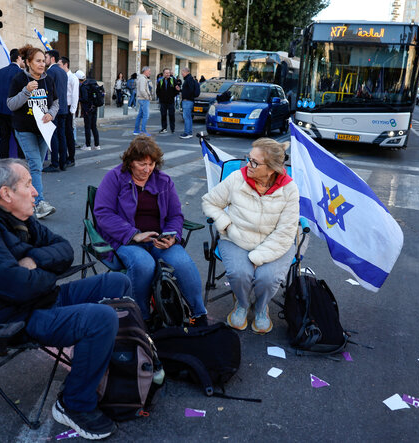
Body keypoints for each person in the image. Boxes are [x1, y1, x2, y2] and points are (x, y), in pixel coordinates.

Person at [0, 158, 129, 440]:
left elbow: (65, 250)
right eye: (28, 184)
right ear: (6, 194)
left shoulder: (20, 218)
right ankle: (74, 404)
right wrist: (48, 272)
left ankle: (116, 361)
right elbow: (19, 287)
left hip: (40, 299)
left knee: (118, 281)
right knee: (102, 319)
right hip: (14, 318)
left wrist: (34, 258)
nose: (36, 192)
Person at [93, 135, 208, 325]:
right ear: (130, 162)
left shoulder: (163, 181)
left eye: (152, 164)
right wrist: (134, 234)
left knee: (182, 262)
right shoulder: (114, 177)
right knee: (143, 264)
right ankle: (142, 317)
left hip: (158, 238)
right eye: (141, 164)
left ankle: (198, 314)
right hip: (126, 239)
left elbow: (175, 215)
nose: (147, 169)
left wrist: (172, 235)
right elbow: (103, 213)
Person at [201, 138, 299, 334]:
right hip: (236, 239)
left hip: (277, 243)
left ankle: (262, 308)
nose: (248, 165)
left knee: (268, 278)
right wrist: (225, 224)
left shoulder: (289, 189)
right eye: (248, 158)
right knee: (240, 273)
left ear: (271, 169)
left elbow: (285, 232)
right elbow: (209, 202)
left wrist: (257, 257)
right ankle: (242, 304)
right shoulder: (238, 178)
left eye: (254, 162)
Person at [6, 44, 58, 219]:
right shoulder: (18, 79)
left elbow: (56, 102)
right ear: (28, 62)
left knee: (36, 167)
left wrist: (51, 114)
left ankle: (23, 196)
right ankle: (40, 203)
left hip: (44, 131)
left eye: (44, 61)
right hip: (24, 129)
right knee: (35, 165)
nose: (42, 64)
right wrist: (26, 91)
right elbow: (11, 104)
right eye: (38, 61)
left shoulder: (48, 80)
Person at [0, 48, 23, 159]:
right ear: (19, 58)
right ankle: (20, 163)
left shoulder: (0, 72)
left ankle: (3, 161)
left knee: (4, 137)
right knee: (18, 137)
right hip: (14, 111)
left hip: (0, 109)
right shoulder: (20, 73)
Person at [44, 50, 69, 172]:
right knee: (61, 135)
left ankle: (54, 163)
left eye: (46, 57)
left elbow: (48, 92)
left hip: (55, 109)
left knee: (53, 136)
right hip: (63, 108)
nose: (45, 60)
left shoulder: (50, 71)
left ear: (52, 58)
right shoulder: (63, 72)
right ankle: (63, 162)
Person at [58, 56, 78, 167]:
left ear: (66, 65)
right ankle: (64, 156)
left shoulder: (72, 78)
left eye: (60, 65)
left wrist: (72, 111)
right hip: (62, 107)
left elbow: (75, 95)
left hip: (69, 108)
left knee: (69, 134)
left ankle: (71, 157)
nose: (59, 67)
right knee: (62, 134)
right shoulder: (61, 76)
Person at [78, 73, 101, 151]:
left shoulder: (84, 86)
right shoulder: (92, 83)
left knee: (87, 127)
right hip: (94, 107)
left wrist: (78, 99)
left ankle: (88, 145)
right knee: (94, 126)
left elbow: (85, 99)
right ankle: (97, 145)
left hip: (87, 109)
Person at [157, 68, 179, 134]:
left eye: (169, 73)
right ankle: (164, 128)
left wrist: (172, 96)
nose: (168, 74)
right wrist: (160, 98)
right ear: (163, 74)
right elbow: (158, 91)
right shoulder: (160, 81)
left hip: (171, 101)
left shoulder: (173, 80)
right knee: (163, 115)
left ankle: (172, 129)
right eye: (166, 73)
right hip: (163, 102)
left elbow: (176, 90)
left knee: (171, 115)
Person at [179, 67, 199, 140]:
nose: (182, 74)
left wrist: (186, 96)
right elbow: (188, 90)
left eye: (182, 72)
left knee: (186, 117)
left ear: (186, 72)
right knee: (188, 117)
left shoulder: (189, 79)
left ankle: (187, 133)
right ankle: (189, 132)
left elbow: (190, 90)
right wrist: (181, 90)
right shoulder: (189, 79)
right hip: (188, 100)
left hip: (187, 101)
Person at [133, 67, 152, 136]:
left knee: (140, 115)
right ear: (145, 71)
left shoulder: (141, 78)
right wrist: (147, 97)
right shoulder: (143, 79)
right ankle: (143, 131)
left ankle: (136, 130)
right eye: (149, 71)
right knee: (146, 116)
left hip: (141, 99)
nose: (150, 73)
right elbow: (142, 90)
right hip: (144, 99)